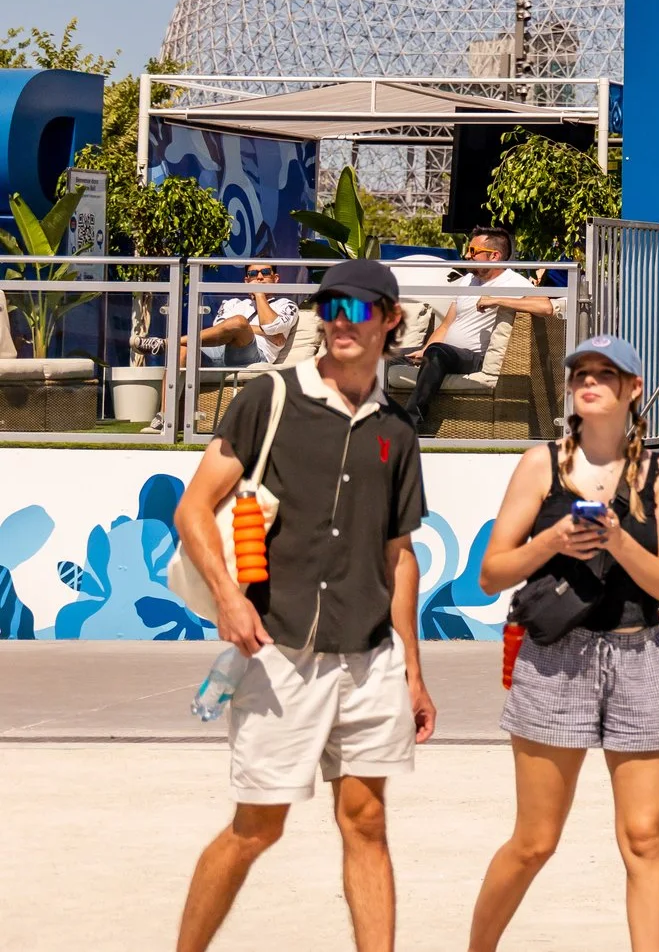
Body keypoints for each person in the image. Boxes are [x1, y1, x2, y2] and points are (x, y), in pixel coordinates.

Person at [172, 258, 435, 952]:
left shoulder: (398, 432)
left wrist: (411, 666)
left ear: (390, 321)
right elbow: (195, 507)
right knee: (258, 826)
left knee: (367, 822)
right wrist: (229, 599)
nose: (341, 322)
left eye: (360, 309)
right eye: (332, 308)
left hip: (371, 656)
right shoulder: (271, 398)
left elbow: (397, 555)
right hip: (278, 648)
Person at [469, 333, 659, 950]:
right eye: (579, 374)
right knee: (535, 840)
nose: (588, 382)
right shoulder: (543, 463)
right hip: (556, 659)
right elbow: (493, 572)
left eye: (604, 373)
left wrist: (618, 539)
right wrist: (553, 542)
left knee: (645, 838)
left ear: (633, 389)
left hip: (638, 656)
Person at [410, 230, 556, 422]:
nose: (467, 255)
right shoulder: (468, 281)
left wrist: (497, 300)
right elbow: (446, 325)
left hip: (474, 358)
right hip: (446, 354)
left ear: (494, 256)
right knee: (391, 357)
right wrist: (425, 350)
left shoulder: (513, 282)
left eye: (473, 250)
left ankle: (411, 421)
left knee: (437, 352)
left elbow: (546, 307)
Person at [193, 261, 298, 367]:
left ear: (275, 279)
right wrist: (266, 333)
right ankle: (181, 344)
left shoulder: (286, 305)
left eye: (265, 272)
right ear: (247, 281)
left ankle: (182, 340)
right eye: (253, 274)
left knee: (239, 321)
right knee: (183, 351)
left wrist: (259, 293)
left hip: (255, 355)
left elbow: (271, 326)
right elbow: (220, 328)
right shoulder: (233, 303)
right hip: (220, 348)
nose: (259, 277)